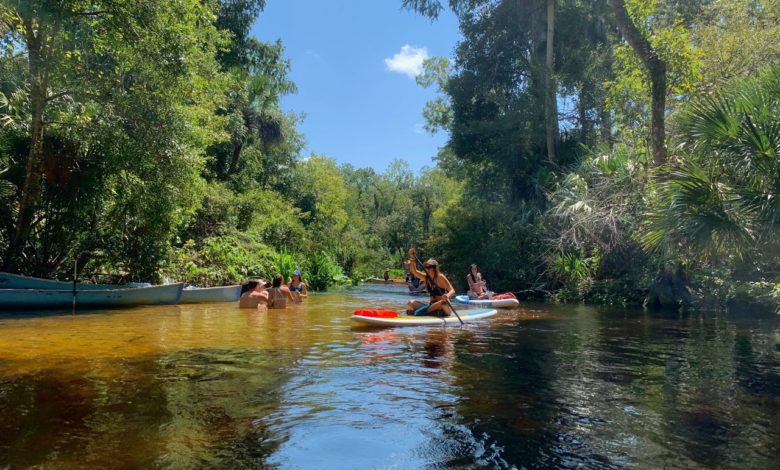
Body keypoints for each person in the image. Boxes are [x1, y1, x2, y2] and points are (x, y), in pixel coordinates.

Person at [405, 248, 456, 317]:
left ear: (434, 268)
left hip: (443, 307)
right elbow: (414, 272)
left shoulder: (440, 277)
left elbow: (452, 290)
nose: (427, 268)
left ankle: (419, 313)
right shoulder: (426, 277)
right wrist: (413, 258)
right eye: (426, 266)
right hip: (431, 306)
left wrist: (447, 295)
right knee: (410, 302)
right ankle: (430, 312)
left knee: (442, 303)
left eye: (429, 267)